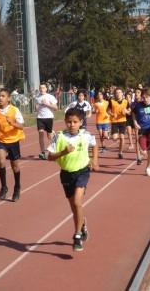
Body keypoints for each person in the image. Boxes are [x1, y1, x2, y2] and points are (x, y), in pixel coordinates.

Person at [47, 108, 98, 251]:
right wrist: (64, 152)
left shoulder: (86, 135)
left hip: (82, 172)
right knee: (74, 208)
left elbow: (94, 145)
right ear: (65, 122)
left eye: (75, 122)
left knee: (77, 202)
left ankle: (77, 235)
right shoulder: (59, 136)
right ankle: (83, 224)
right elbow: (49, 157)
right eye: (69, 122)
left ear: (81, 122)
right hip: (66, 174)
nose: (72, 124)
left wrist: (94, 160)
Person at [0, 88, 25, 202]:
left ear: (8, 98)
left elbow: (21, 126)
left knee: (15, 165)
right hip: (0, 139)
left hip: (13, 140)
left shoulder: (14, 110)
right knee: (1, 161)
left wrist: (13, 123)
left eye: (3, 96)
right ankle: (4, 187)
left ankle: (17, 187)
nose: (0, 98)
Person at [133, 88, 150, 176]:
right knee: (143, 151)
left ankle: (148, 168)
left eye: (147, 97)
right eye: (143, 97)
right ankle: (142, 154)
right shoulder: (138, 106)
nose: (145, 99)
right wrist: (135, 123)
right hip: (142, 130)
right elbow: (133, 114)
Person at [35, 82, 58, 160]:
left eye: (43, 88)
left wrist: (47, 104)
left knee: (49, 136)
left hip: (49, 117)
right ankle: (43, 152)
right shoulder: (37, 97)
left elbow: (56, 108)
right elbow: (37, 108)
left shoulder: (50, 97)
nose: (41, 89)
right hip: (40, 118)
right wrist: (37, 107)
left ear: (46, 89)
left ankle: (52, 150)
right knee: (41, 133)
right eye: (40, 88)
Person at [107, 87, 129, 159]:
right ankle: (111, 134)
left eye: (120, 92)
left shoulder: (126, 101)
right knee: (115, 138)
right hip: (114, 121)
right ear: (114, 94)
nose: (118, 94)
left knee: (122, 138)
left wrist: (127, 112)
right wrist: (112, 114)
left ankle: (120, 152)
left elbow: (129, 111)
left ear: (122, 93)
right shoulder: (112, 101)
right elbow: (108, 111)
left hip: (123, 121)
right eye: (117, 93)